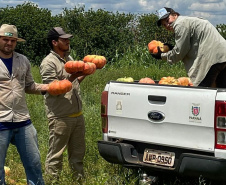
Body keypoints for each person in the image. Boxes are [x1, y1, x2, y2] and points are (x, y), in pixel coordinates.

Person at [0, 24, 48, 185]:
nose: (9, 43)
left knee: (34, 163)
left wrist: (48, 88)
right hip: (0, 121)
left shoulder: (22, 60)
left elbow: (29, 86)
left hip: (22, 120)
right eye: (5, 39)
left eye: (12, 40)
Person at [40, 27, 87, 181]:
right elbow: (53, 89)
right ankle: (52, 181)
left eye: (68, 39)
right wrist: (73, 75)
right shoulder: (48, 63)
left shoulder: (69, 58)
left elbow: (74, 83)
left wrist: (83, 74)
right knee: (56, 156)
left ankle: (78, 181)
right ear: (54, 42)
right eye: (64, 39)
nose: (68, 42)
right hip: (60, 117)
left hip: (77, 115)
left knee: (78, 155)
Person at [151, 7, 226, 88]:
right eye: (164, 25)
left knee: (203, 90)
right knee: (220, 90)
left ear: (175, 15)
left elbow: (179, 53)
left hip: (212, 59)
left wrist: (161, 56)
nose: (167, 25)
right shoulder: (187, 21)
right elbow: (188, 46)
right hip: (222, 55)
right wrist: (172, 48)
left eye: (167, 20)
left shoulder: (180, 24)